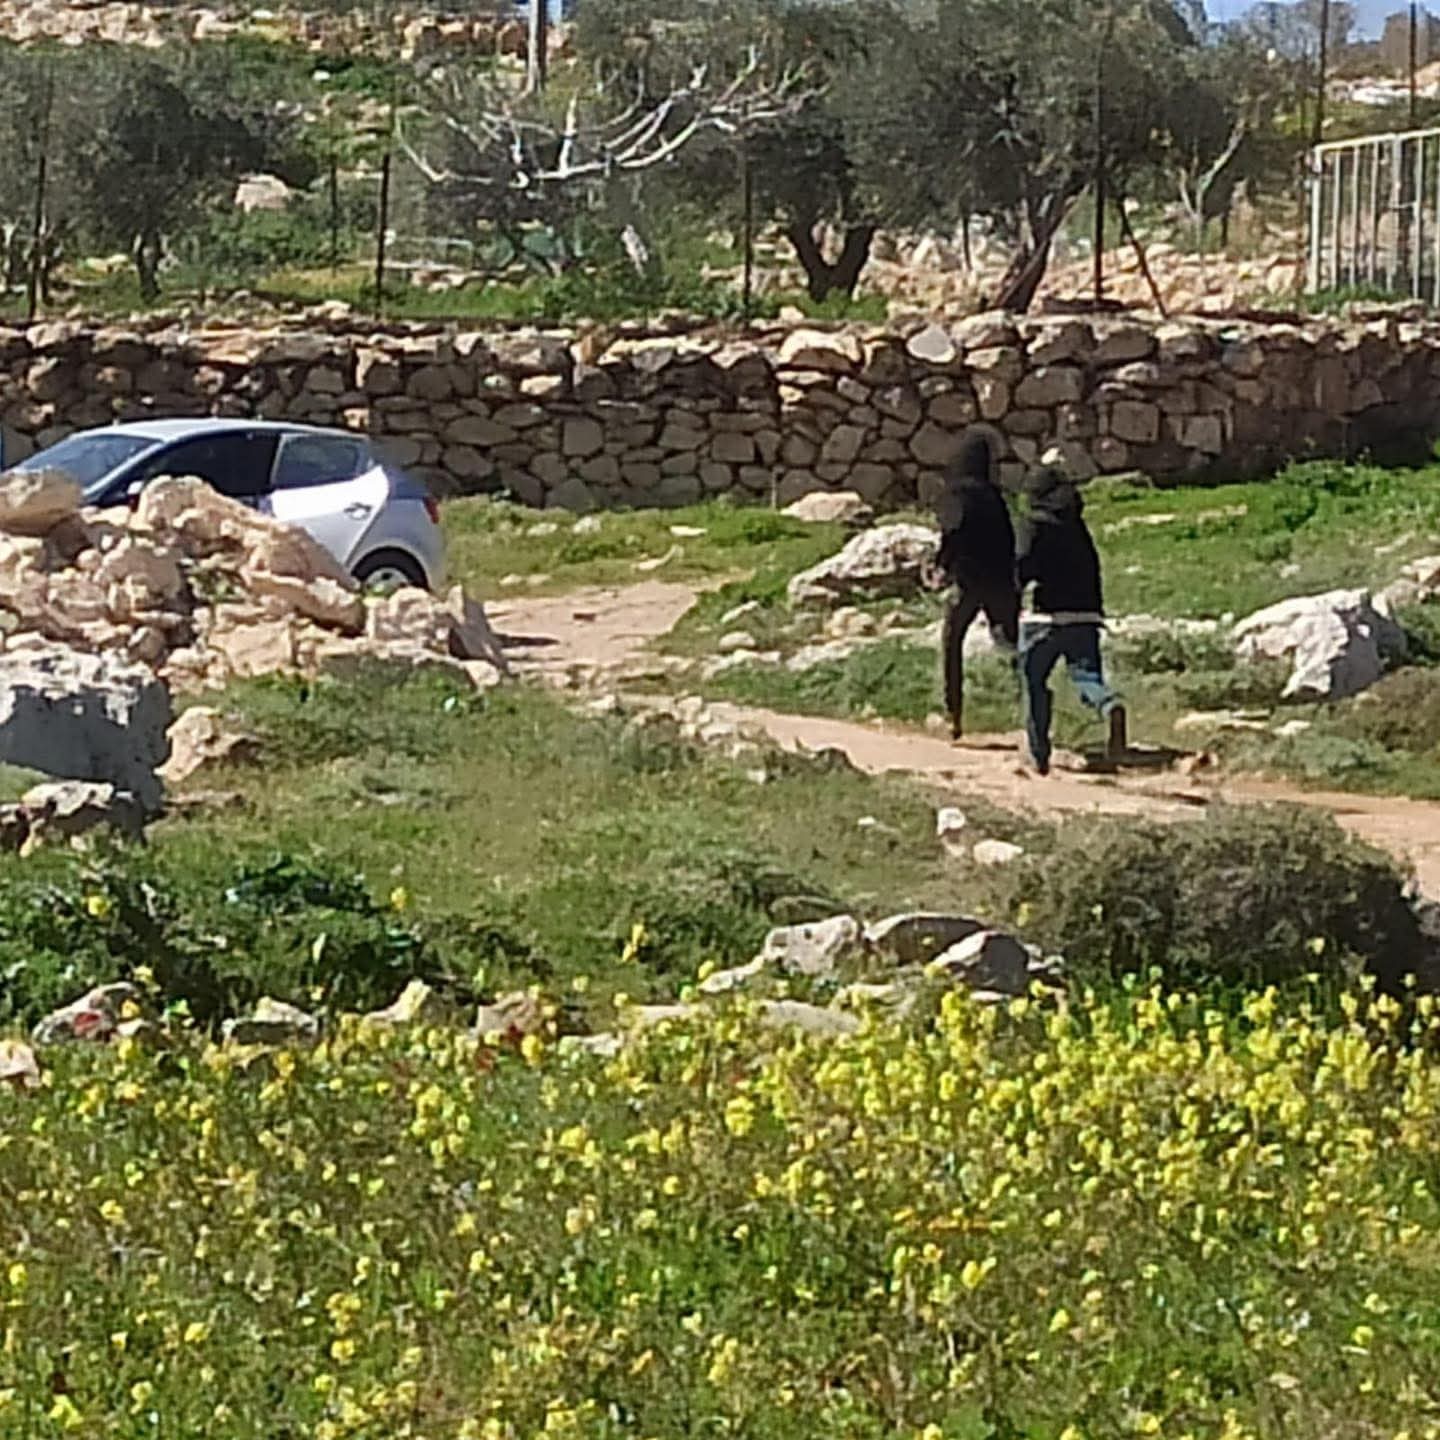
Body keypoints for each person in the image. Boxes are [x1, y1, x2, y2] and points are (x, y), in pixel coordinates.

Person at [1015, 466, 1127, 776]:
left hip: (1046, 617)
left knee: (1034, 680)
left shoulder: (1033, 524)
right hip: (1086, 615)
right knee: (1087, 676)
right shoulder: (1077, 526)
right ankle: (1109, 705)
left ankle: (1038, 753)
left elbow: (1023, 564)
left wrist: (1013, 594)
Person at [926, 431, 1019, 741]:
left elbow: (952, 534)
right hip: (1001, 582)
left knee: (952, 642)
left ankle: (952, 714)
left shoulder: (955, 495)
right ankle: (1030, 711)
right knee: (1012, 646)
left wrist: (942, 566)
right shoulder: (996, 497)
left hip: (968, 581)